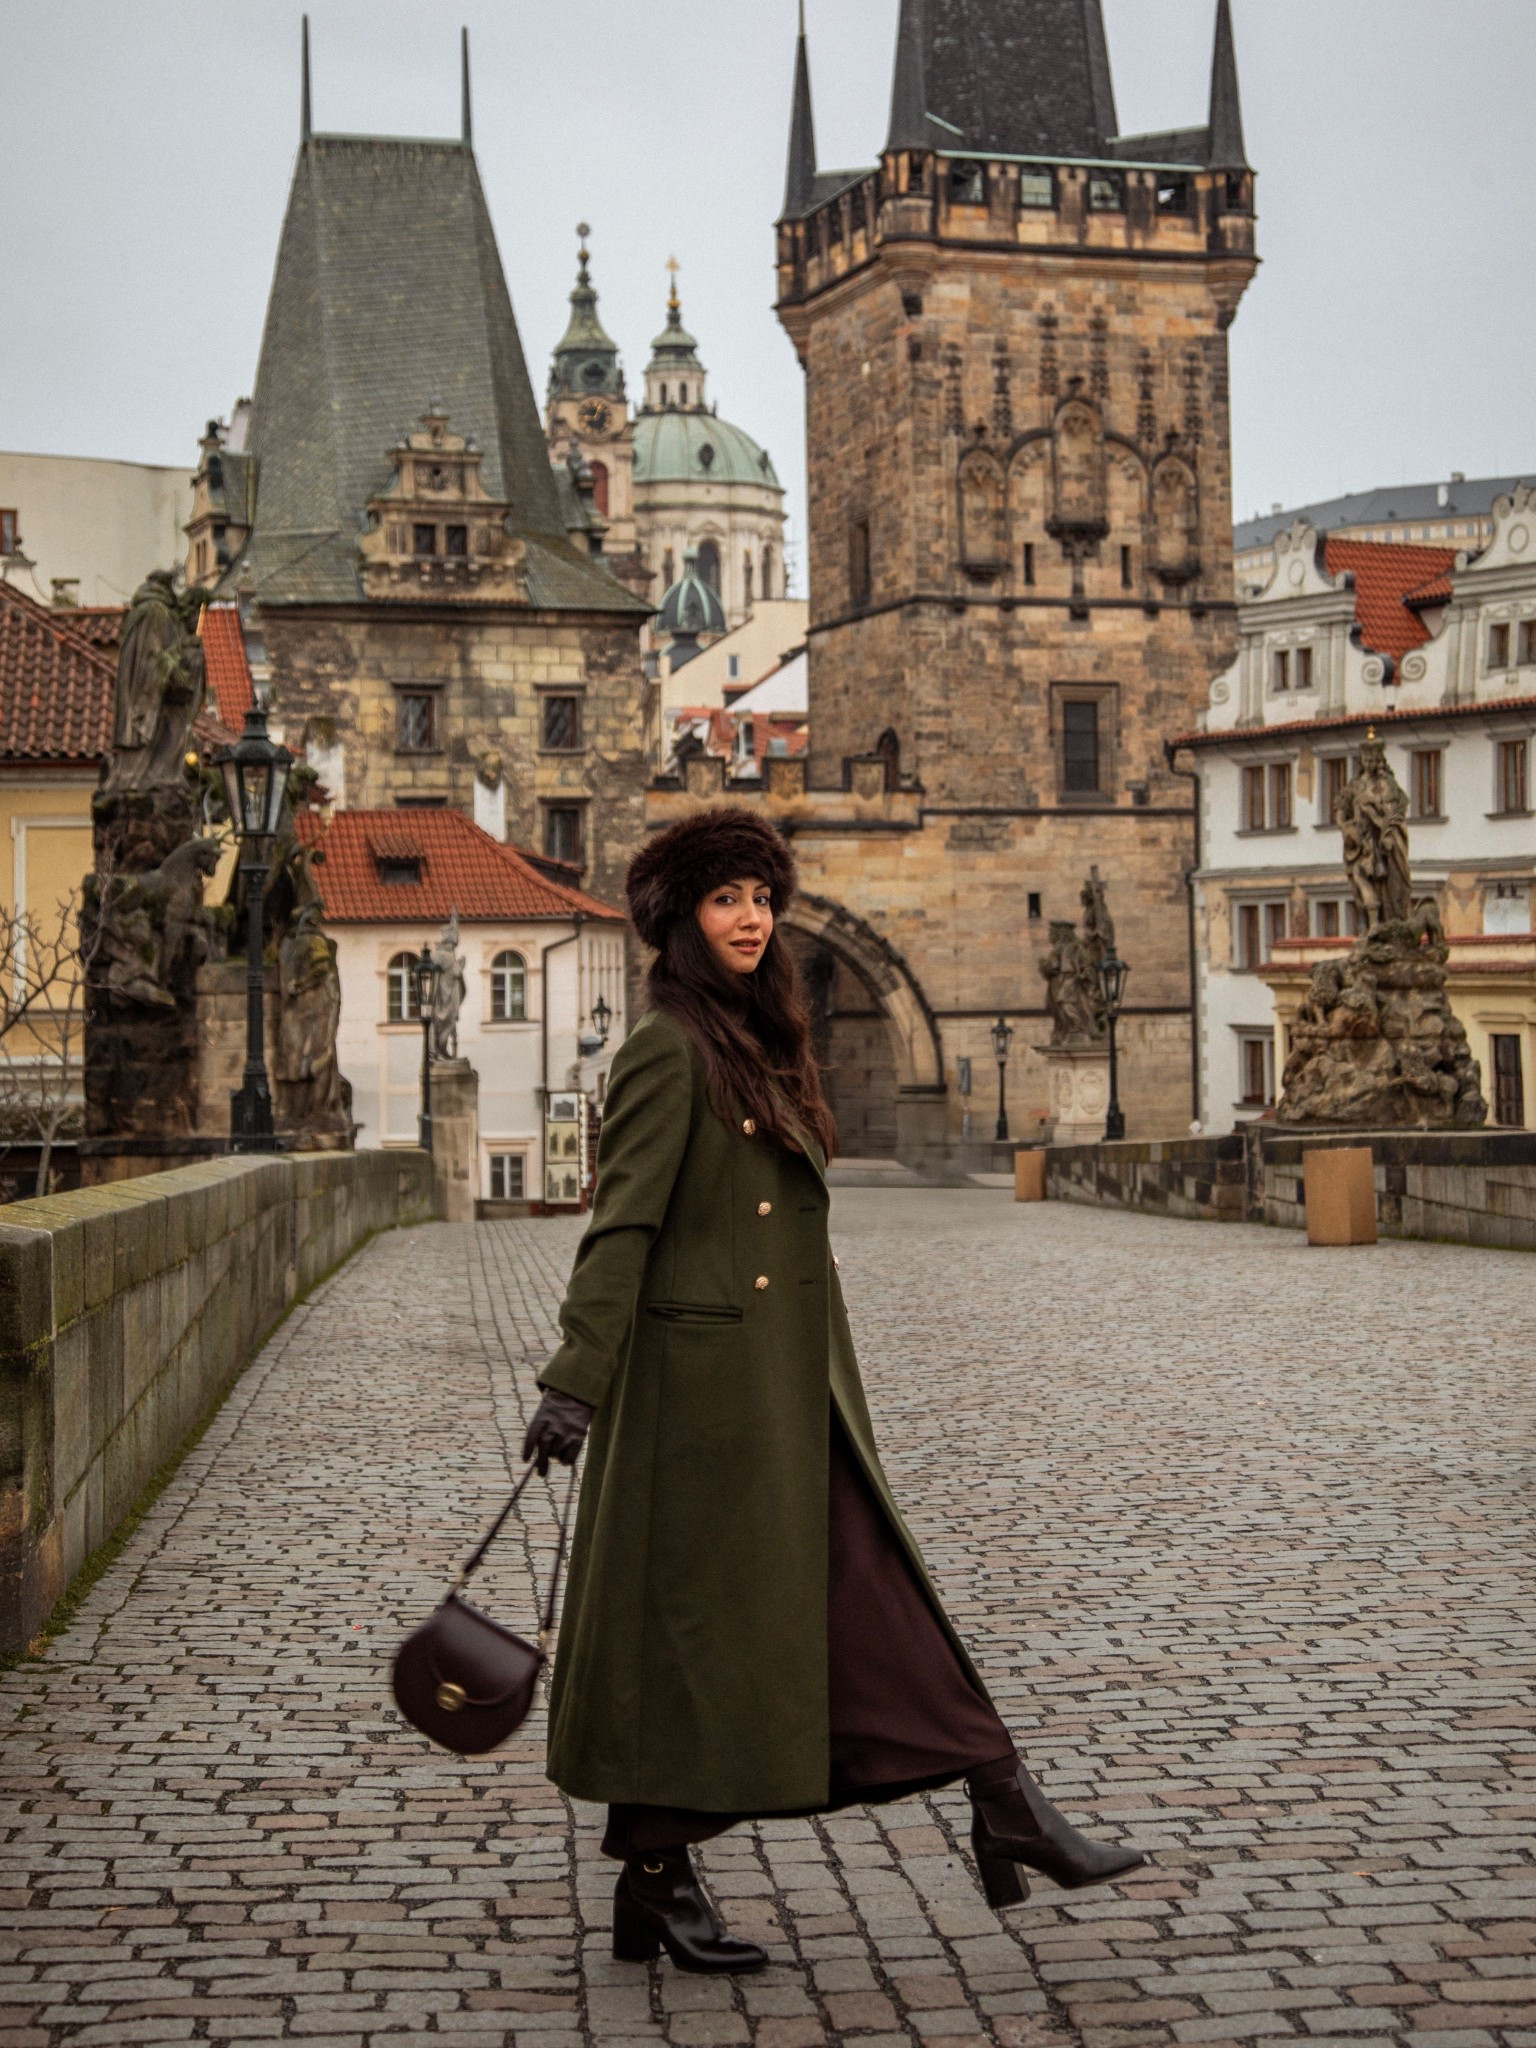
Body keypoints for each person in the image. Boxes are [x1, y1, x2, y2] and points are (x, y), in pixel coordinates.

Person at [524, 808, 1144, 1975]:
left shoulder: (750, 1033)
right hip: (701, 1401)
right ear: (681, 921)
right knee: (710, 1628)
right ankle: (674, 1872)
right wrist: (575, 1378)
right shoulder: (668, 1044)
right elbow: (624, 1226)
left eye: (762, 895)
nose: (752, 917)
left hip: (781, 1385)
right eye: (726, 899)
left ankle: (997, 1798)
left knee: (857, 1597)